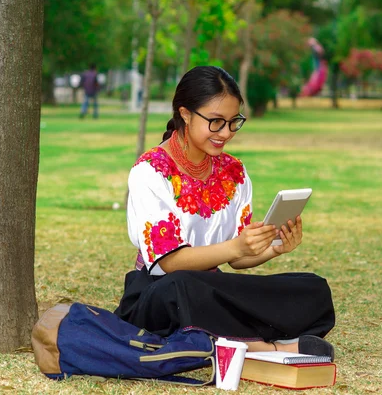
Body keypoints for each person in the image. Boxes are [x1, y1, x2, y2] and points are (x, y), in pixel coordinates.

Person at [114, 66, 335, 358]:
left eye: (233, 122)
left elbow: (239, 259)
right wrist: (236, 246)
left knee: (312, 289)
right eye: (216, 122)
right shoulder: (151, 171)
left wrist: (274, 247)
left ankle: (219, 338)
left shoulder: (234, 172)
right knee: (183, 286)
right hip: (159, 294)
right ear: (186, 114)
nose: (226, 133)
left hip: (212, 289)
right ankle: (262, 348)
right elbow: (169, 264)